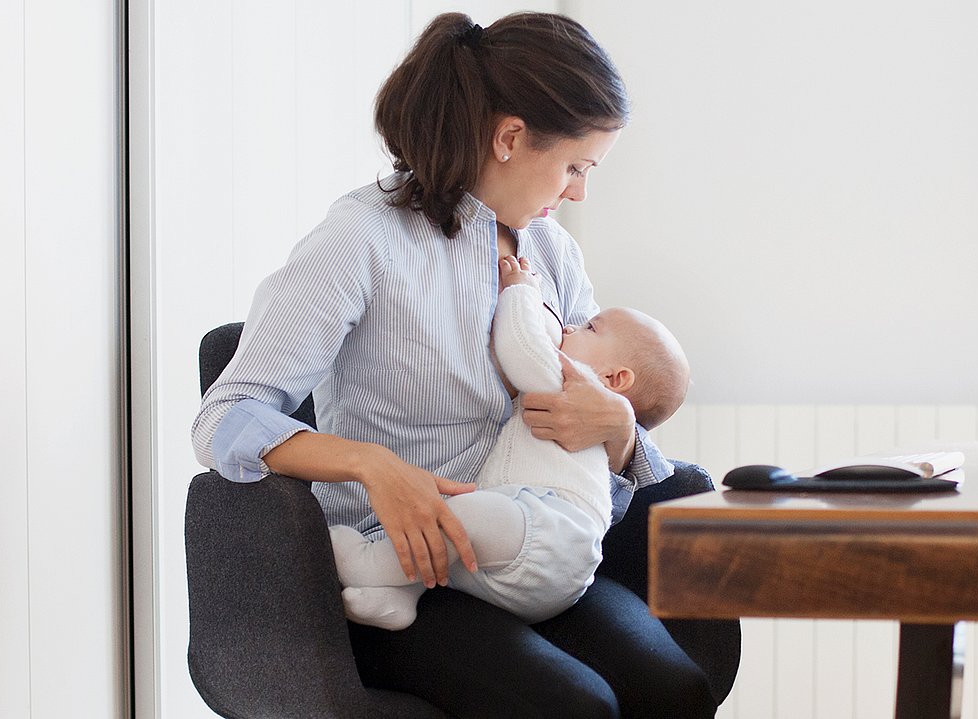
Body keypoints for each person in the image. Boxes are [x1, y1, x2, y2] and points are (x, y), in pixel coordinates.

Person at [192, 11, 719, 718]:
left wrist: (620, 430)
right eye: (575, 166)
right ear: (509, 138)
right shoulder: (361, 240)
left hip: (534, 558)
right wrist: (372, 466)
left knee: (676, 692)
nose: (578, 192)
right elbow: (227, 418)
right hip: (407, 571)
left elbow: (597, 418)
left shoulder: (553, 254)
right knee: (573, 707)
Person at [331, 255, 690, 630]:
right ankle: (398, 597)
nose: (570, 324)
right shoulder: (589, 388)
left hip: (551, 529)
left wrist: (521, 291)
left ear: (614, 378)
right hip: (514, 565)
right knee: (460, 539)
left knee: (462, 518)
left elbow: (522, 348)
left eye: (589, 327)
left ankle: (368, 562)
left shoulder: (575, 382)